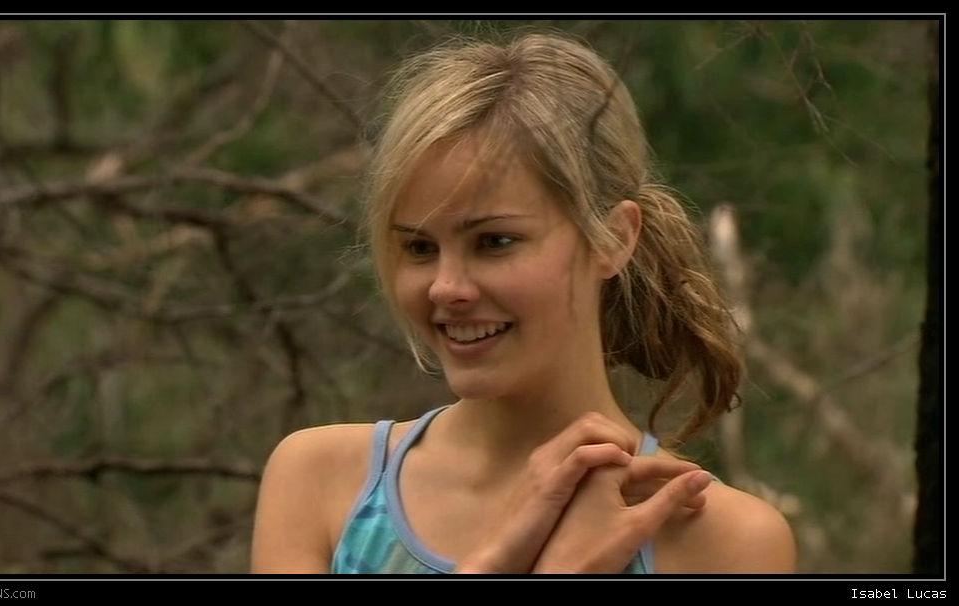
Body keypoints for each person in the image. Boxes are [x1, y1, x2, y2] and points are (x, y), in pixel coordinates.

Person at [250, 31, 796, 574]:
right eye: (419, 247)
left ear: (613, 238)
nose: (446, 287)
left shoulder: (720, 539)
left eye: (494, 242)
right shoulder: (323, 483)